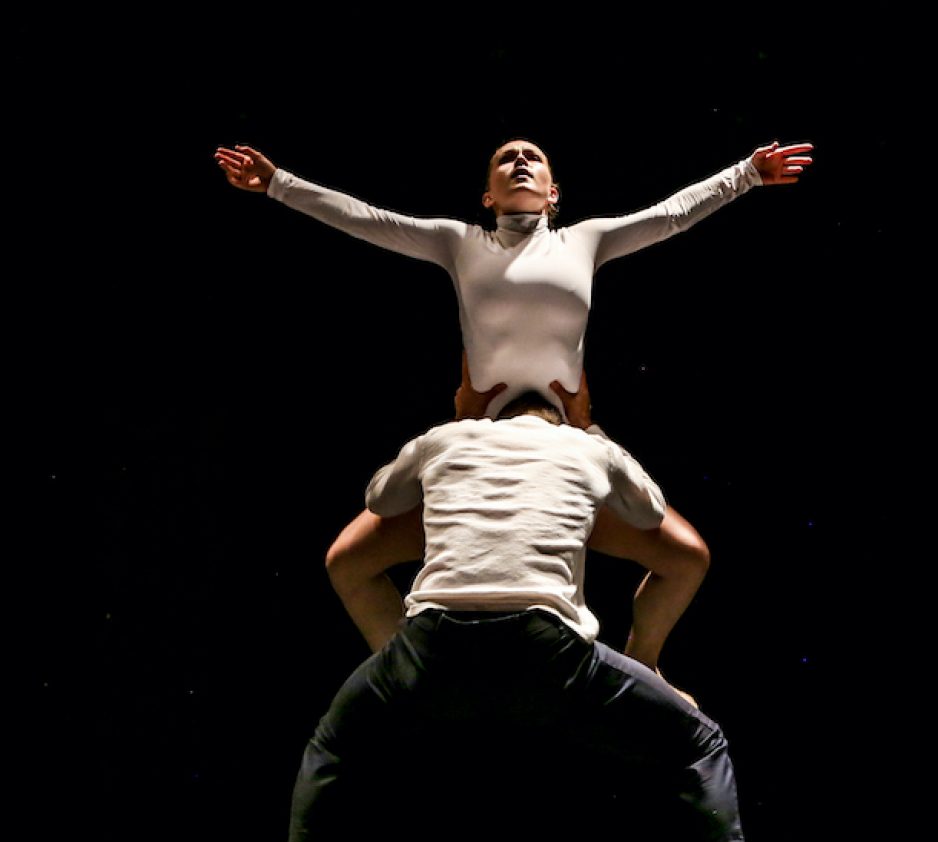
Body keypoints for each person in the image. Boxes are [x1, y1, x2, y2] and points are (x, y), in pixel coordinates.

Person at [213, 136, 813, 681]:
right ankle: (405, 676)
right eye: (506, 158)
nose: (520, 161)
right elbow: (367, 220)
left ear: (554, 192)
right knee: (347, 560)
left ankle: (645, 665)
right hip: (477, 442)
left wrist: (747, 174)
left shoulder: (586, 239)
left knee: (687, 556)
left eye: (533, 158)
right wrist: (276, 183)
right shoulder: (460, 242)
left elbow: (670, 216)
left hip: (567, 437)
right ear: (487, 194)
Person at [262, 390, 788, 842]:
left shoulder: (448, 436)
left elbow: (378, 498)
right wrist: (595, 435)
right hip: (545, 648)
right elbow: (650, 514)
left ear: (484, 403)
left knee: (330, 750)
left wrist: (456, 429)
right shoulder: (584, 447)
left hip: (433, 642)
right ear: (563, 408)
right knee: (701, 744)